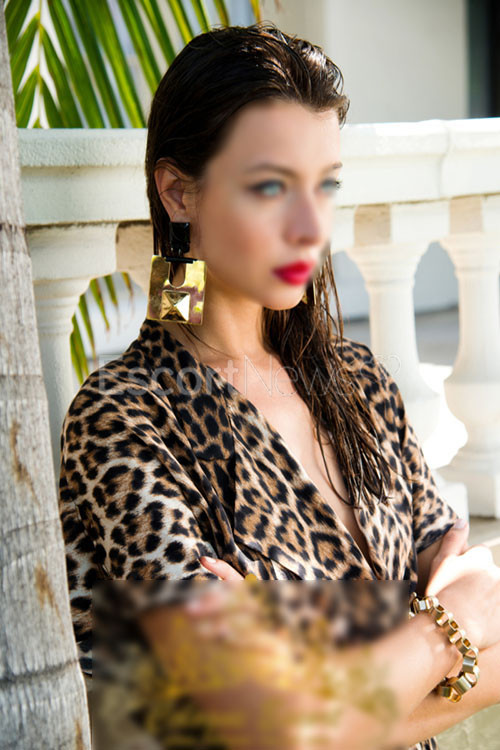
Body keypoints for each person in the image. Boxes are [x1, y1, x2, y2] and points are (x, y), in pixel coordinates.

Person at [58, 21, 500, 750]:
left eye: (325, 184)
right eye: (271, 186)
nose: (309, 227)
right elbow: (260, 727)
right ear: (178, 192)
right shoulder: (124, 417)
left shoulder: (359, 385)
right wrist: (447, 629)